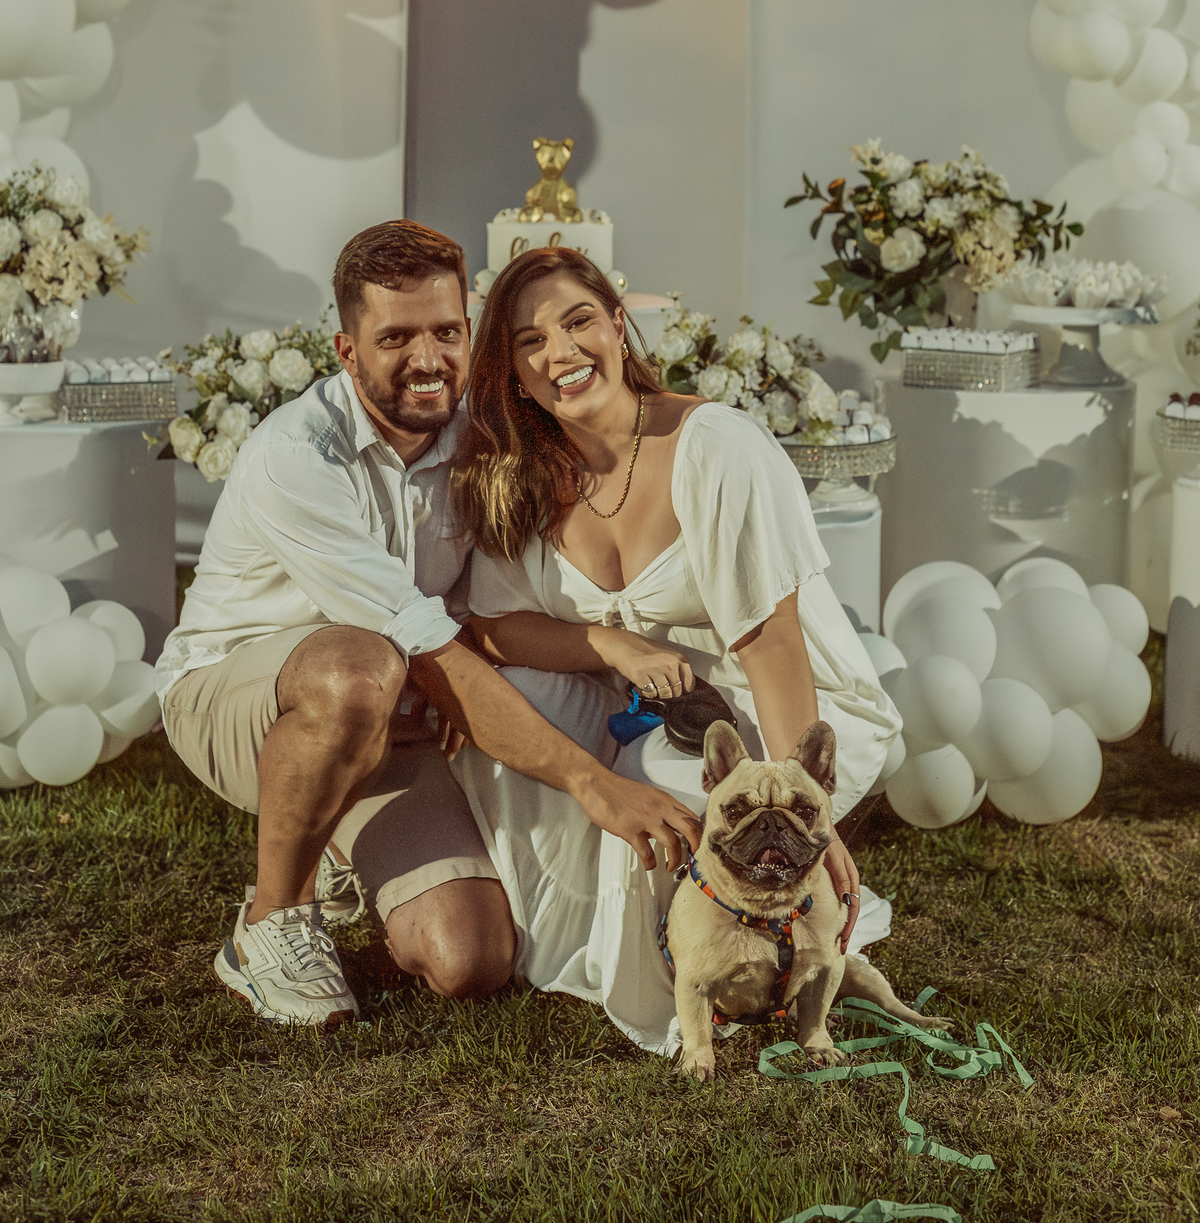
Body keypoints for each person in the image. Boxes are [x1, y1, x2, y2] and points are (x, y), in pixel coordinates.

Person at [155, 222, 700, 1029]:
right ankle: (271, 921)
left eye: (446, 333)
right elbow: (421, 645)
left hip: (397, 709)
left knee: (471, 959)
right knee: (359, 669)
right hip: (239, 700)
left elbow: (606, 443)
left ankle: (332, 837)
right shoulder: (297, 456)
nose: (428, 359)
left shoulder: (481, 431)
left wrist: (706, 429)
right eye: (395, 338)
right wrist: (594, 784)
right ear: (346, 352)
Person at [450, 246, 903, 1054]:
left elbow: (770, 641)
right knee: (512, 700)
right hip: (652, 702)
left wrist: (805, 808)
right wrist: (610, 643)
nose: (562, 352)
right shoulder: (522, 469)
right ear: (512, 372)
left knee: (658, 783)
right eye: (530, 341)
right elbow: (495, 625)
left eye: (580, 321)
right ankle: (564, 934)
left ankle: (701, 980)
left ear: (619, 324)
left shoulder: (715, 446)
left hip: (778, 703)